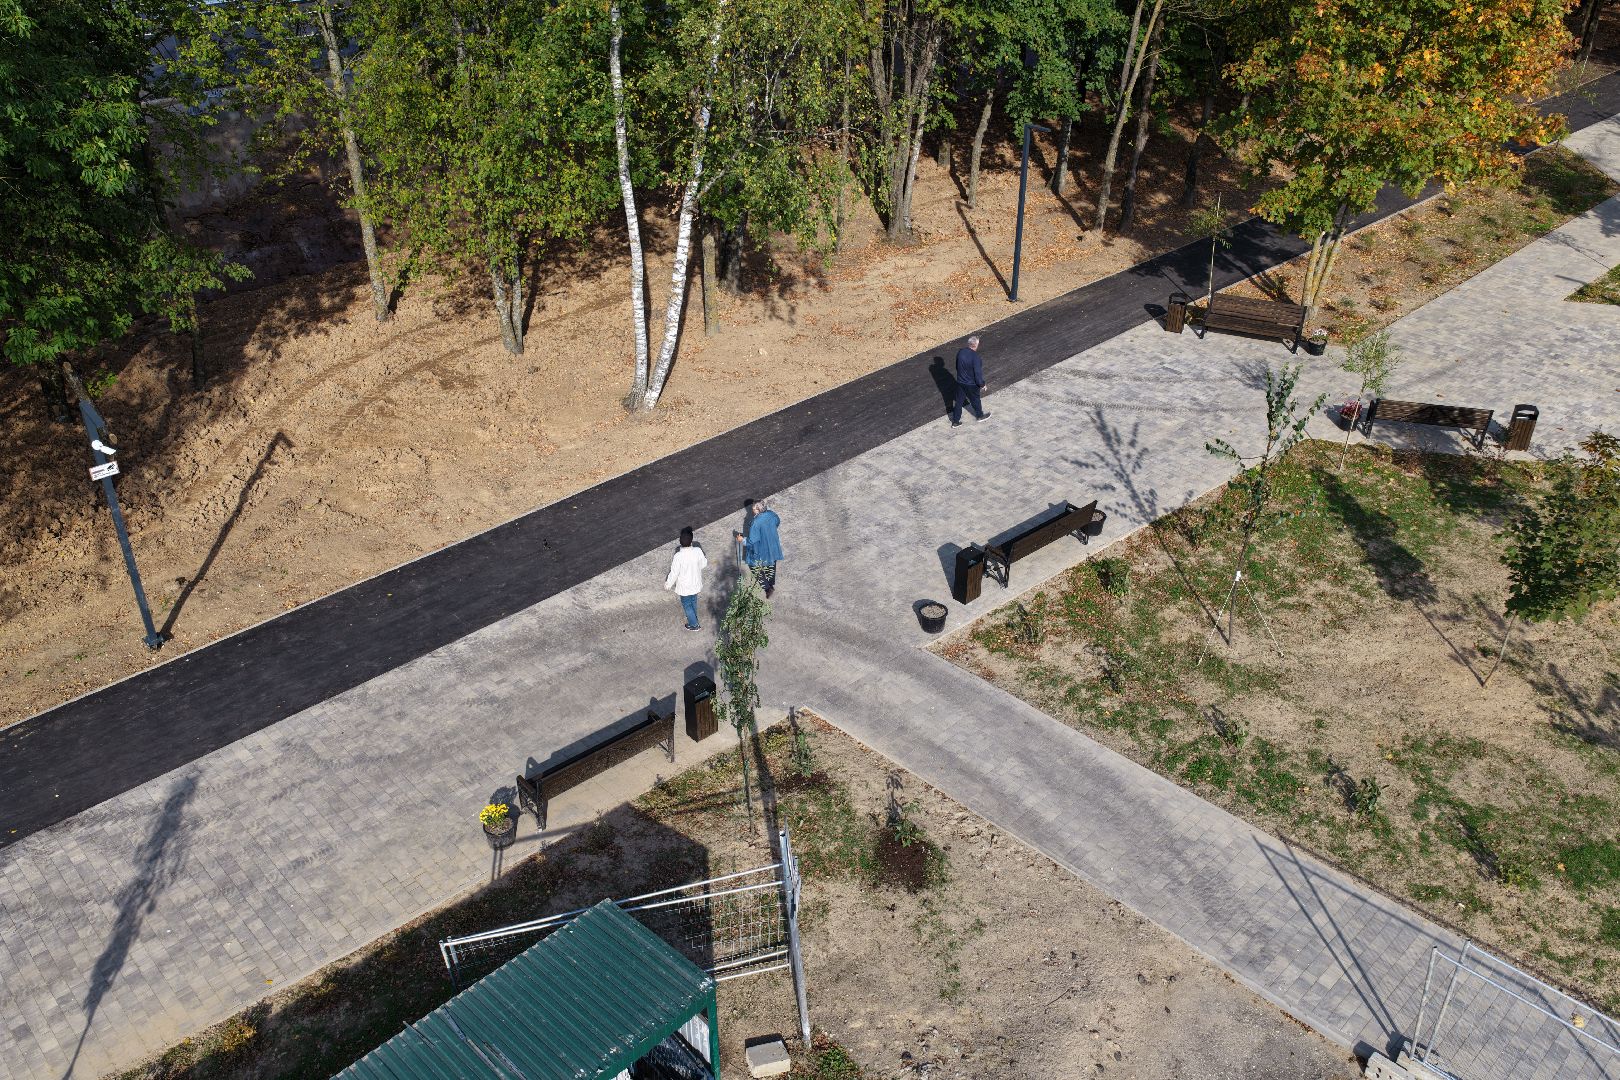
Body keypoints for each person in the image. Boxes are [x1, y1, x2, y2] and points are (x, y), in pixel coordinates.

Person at [734, 499, 783, 598]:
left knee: (754, 567)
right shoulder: (772, 514)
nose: (752, 510)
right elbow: (777, 522)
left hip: (760, 549)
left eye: (753, 508)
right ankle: (771, 582)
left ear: (758, 509)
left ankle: (767, 587)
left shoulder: (756, 523)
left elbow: (751, 541)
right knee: (772, 563)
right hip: (773, 545)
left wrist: (741, 539)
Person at [664, 526, 708, 631]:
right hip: (695, 583)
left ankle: (694, 625)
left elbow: (674, 573)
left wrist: (668, 584)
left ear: (680, 541)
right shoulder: (697, 550)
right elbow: (704, 564)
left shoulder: (678, 556)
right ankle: (694, 619)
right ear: (691, 540)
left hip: (684, 587)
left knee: (687, 605)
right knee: (693, 602)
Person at [950, 334, 989, 426]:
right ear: (975, 345)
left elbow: (957, 366)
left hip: (960, 382)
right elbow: (978, 375)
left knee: (959, 402)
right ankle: (979, 416)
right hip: (971, 384)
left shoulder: (961, 352)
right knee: (975, 400)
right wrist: (982, 384)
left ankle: (955, 421)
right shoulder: (976, 357)